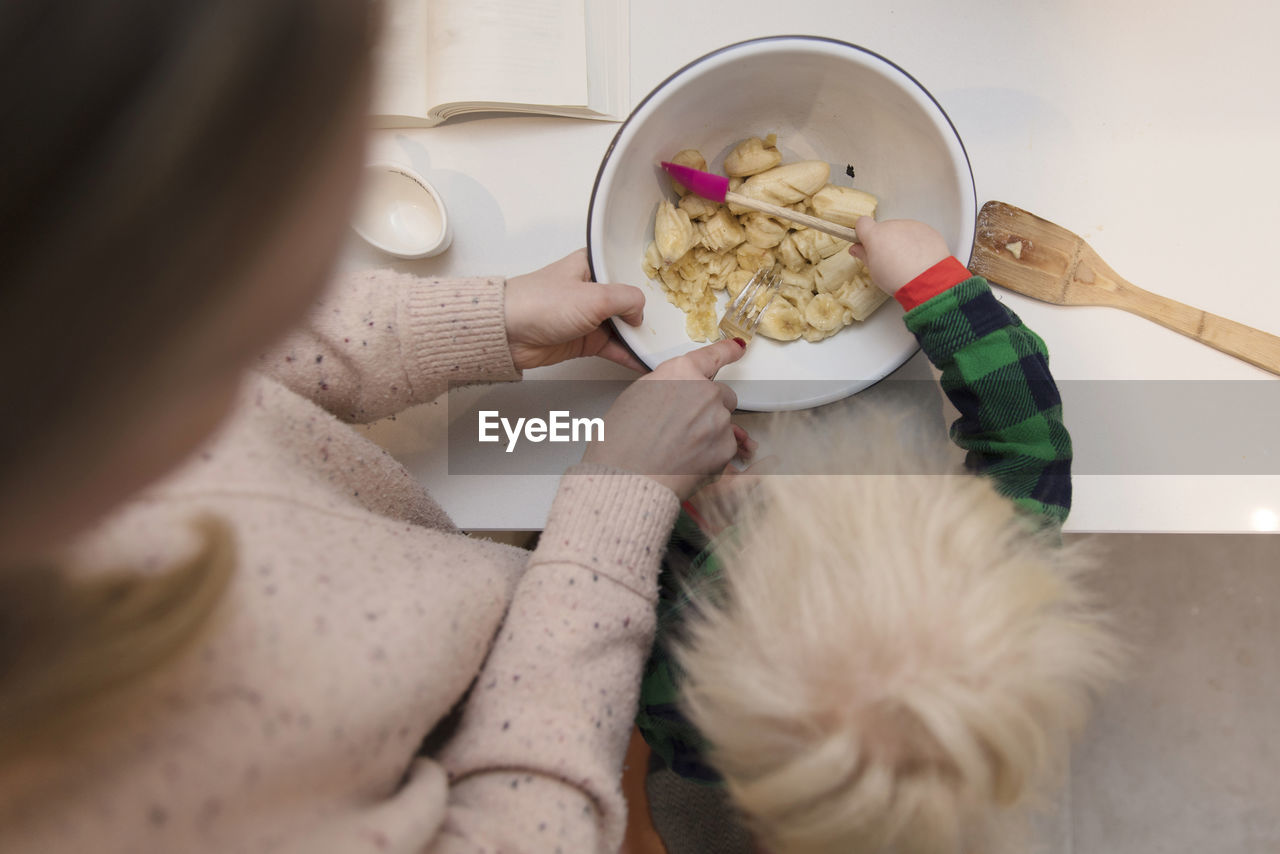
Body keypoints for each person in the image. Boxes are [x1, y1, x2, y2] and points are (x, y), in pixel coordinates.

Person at [0, 2, 750, 852]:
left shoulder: (68, 308)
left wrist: (486, 319)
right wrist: (617, 511)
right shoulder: (135, 801)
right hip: (512, 683)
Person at [635, 219, 1122, 853]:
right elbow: (1027, 440)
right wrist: (941, 291)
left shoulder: (676, 704)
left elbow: (622, 601)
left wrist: (676, 508)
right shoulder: (1006, 575)